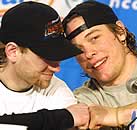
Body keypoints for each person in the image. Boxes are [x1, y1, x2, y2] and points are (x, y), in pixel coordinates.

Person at [63, 1, 137, 129]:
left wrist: (115, 115)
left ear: (120, 32)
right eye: (78, 49)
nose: (88, 54)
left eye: (94, 38)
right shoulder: (84, 102)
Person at [0, 1, 89, 129]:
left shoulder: (56, 90)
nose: (56, 68)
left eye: (58, 56)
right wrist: (62, 118)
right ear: (13, 52)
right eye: (47, 56)